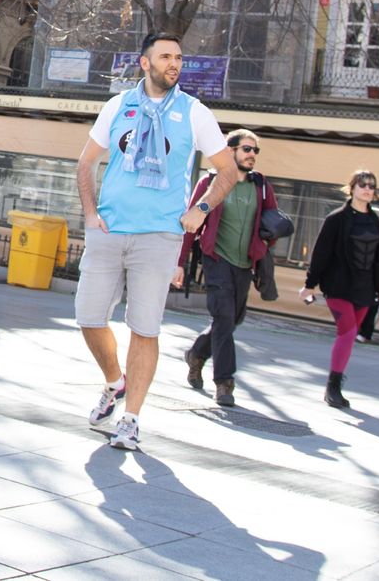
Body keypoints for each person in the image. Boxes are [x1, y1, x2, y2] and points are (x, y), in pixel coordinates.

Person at [75, 32, 237, 451]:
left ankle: (130, 419)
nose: (175, 63)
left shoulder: (194, 112)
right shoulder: (118, 105)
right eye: (165, 57)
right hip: (109, 231)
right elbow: (87, 161)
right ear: (144, 63)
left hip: (160, 236)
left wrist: (198, 211)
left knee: (144, 328)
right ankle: (115, 383)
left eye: (179, 57)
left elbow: (228, 170)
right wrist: (91, 214)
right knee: (90, 318)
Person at [172, 129, 280, 408]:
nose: (252, 155)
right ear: (230, 150)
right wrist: (179, 263)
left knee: (231, 321)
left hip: (245, 263)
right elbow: (190, 224)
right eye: (247, 149)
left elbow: (272, 221)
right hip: (216, 260)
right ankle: (224, 383)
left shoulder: (261, 185)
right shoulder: (210, 182)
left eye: (256, 150)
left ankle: (197, 353)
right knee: (223, 318)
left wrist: (270, 238)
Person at [299, 169, 379, 409]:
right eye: (362, 184)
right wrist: (309, 285)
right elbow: (321, 254)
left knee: (352, 335)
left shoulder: (378, 218)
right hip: (338, 285)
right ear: (352, 187)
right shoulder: (336, 219)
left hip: (366, 288)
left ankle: (335, 382)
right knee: (347, 331)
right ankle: (333, 387)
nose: (367, 189)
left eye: (372, 186)